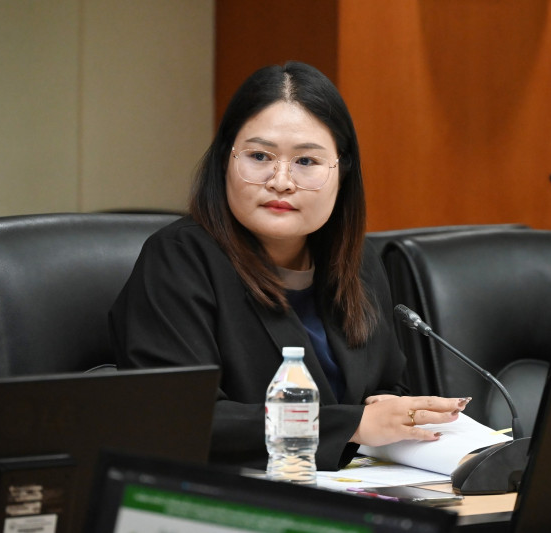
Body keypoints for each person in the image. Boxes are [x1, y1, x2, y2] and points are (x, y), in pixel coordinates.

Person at [109, 61, 470, 471]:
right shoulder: (178, 259)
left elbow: (386, 387)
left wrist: (396, 412)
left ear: (342, 172)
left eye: (307, 162)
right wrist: (352, 425)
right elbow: (180, 419)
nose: (281, 181)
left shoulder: (358, 262)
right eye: (259, 156)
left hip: (351, 487)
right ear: (225, 159)